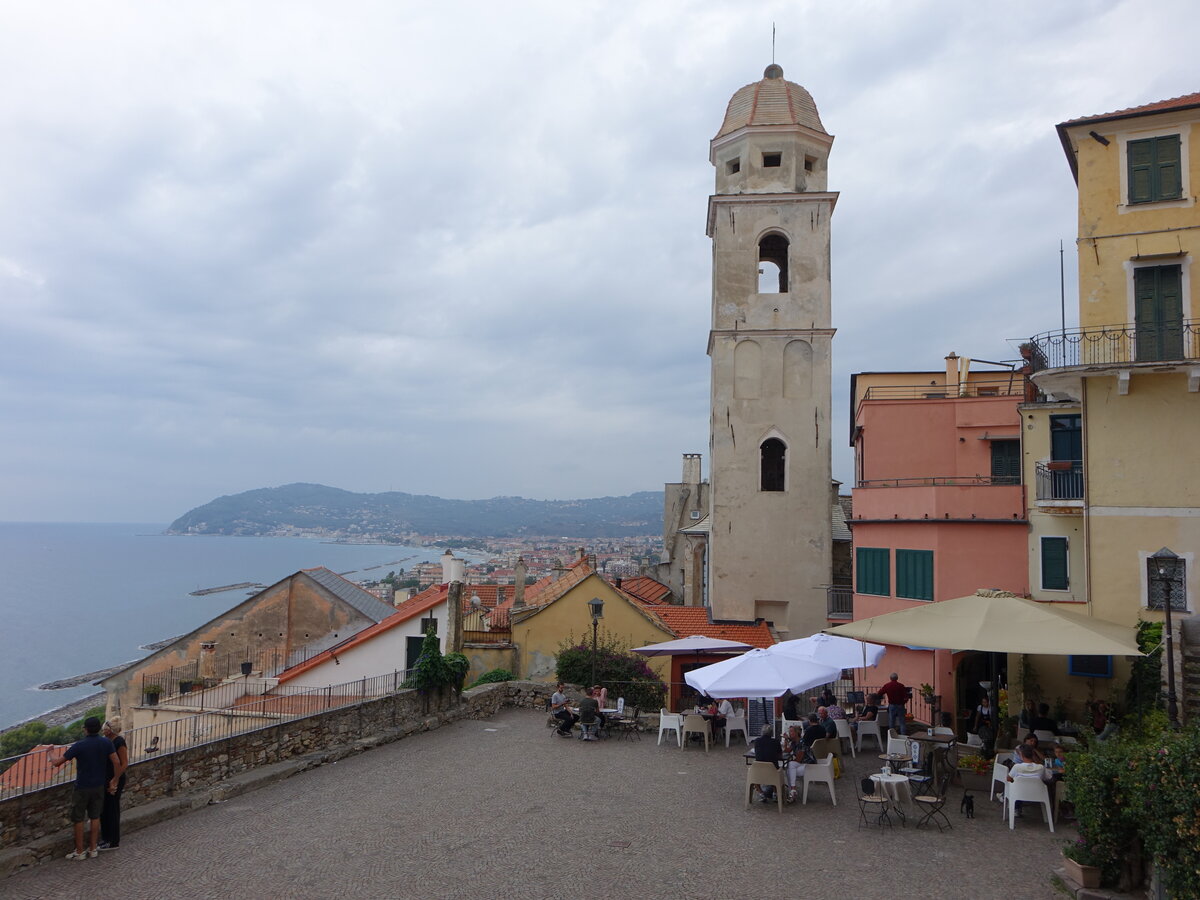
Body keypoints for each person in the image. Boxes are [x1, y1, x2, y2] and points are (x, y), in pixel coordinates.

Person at [50, 716, 119, 860]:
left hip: (82, 786)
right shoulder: (106, 742)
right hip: (99, 785)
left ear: (85, 729)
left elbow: (57, 763)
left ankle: (80, 851)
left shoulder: (79, 745)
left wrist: (50, 753)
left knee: (78, 819)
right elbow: (116, 761)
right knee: (95, 817)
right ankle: (93, 849)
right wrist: (114, 780)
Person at [98, 717, 128, 850]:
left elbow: (124, 763)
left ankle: (113, 840)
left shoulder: (119, 742)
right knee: (104, 809)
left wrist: (115, 780)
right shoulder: (106, 741)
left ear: (110, 730)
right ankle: (106, 837)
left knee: (112, 809)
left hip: (115, 779)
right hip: (107, 778)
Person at [1006, 743, 1053, 817]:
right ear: (1033, 755)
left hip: (1020, 794)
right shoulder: (1040, 767)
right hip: (1038, 794)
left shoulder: (1017, 767)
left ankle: (1016, 808)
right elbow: (1049, 778)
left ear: (1021, 755)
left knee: (1016, 786)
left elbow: (1008, 778)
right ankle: (1049, 812)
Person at [751, 724, 782, 802]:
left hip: (759, 772)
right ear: (771, 733)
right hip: (773, 772)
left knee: (752, 772)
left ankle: (761, 793)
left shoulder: (757, 741)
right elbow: (780, 755)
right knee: (775, 769)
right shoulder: (776, 742)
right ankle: (775, 793)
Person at [781, 725, 806, 801]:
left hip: (808, 765)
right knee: (789, 770)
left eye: (791, 731)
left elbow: (798, 759)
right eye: (789, 731)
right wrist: (785, 740)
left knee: (790, 766)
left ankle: (792, 790)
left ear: (797, 732)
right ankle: (792, 792)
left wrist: (790, 761)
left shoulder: (802, 742)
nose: (790, 733)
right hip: (801, 764)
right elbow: (786, 751)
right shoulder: (794, 742)